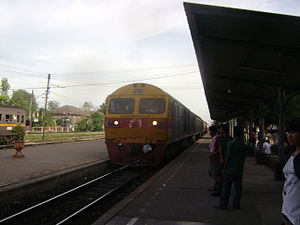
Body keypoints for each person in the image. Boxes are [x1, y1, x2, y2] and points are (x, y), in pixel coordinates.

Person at [215, 126, 246, 209]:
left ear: (234, 133)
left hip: (229, 170)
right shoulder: (243, 144)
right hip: (239, 170)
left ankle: (223, 204)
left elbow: (227, 158)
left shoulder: (231, 144)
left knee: (226, 188)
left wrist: (224, 169)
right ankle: (236, 204)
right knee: (238, 189)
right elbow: (244, 157)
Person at [281, 118, 300, 225]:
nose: (289, 135)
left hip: (296, 217)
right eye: (288, 132)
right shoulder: (292, 153)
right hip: (288, 210)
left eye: (293, 132)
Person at [211, 124, 232, 196]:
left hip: (221, 159)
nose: (219, 130)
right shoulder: (230, 138)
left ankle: (219, 191)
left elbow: (219, 148)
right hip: (228, 159)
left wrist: (221, 158)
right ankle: (224, 191)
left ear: (223, 129)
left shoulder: (220, 138)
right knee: (225, 176)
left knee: (219, 176)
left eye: (220, 129)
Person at [208, 125, 219, 192]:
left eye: (210, 131)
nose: (209, 133)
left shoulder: (216, 138)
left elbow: (217, 149)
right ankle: (215, 186)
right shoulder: (214, 138)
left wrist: (213, 154)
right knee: (214, 173)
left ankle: (216, 188)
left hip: (215, 158)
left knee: (216, 174)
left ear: (213, 131)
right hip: (213, 158)